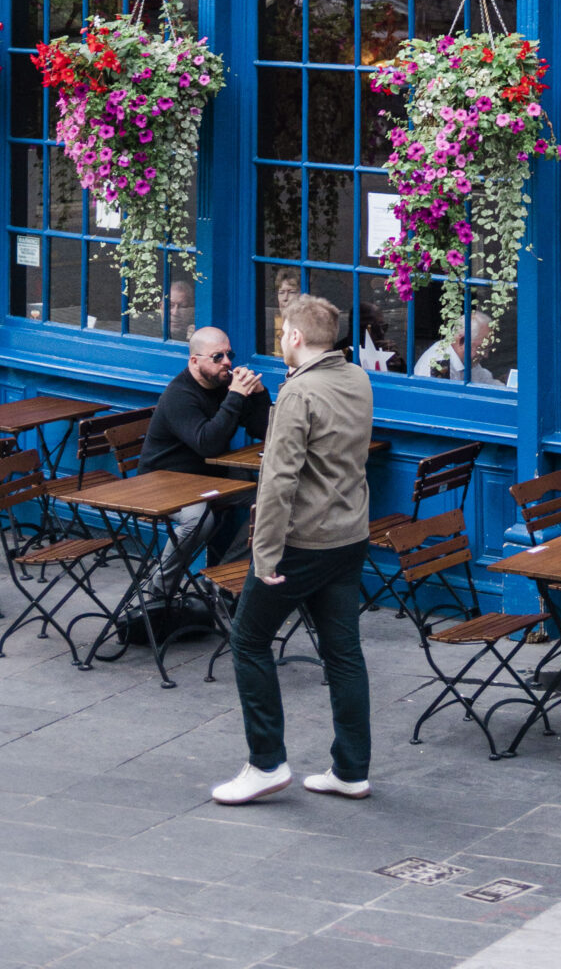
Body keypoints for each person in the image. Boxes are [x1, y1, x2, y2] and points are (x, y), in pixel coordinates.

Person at [212, 292, 375, 806]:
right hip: (350, 536)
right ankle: (350, 769)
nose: (280, 339)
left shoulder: (299, 395)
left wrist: (264, 556)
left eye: (283, 332)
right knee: (343, 653)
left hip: (304, 541)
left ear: (296, 338)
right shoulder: (357, 378)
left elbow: (278, 481)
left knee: (248, 639)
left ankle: (266, 763)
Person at [138, 326, 269, 589]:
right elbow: (207, 444)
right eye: (217, 357)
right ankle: (159, 588)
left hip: (208, 475)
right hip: (165, 480)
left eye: (228, 354)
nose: (228, 362)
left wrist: (258, 393)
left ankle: (222, 579)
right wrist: (235, 396)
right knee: (198, 519)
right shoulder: (179, 395)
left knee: (273, 500)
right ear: (195, 361)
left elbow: (262, 429)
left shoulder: (222, 385)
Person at [413, 313, 498, 382]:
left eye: (487, 348)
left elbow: (486, 382)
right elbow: (442, 401)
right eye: (481, 348)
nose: (486, 355)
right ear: (462, 340)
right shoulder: (439, 363)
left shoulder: (468, 360)